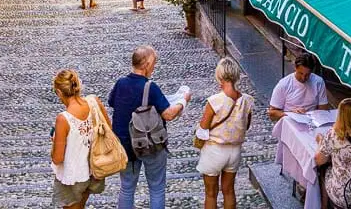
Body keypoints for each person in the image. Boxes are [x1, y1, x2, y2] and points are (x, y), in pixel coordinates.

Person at [108, 45, 190, 209]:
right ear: (146, 65)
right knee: (157, 188)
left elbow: (111, 102)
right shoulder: (150, 87)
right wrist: (183, 101)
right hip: (150, 145)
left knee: (126, 188)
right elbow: (168, 114)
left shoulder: (121, 83)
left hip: (125, 145)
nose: (155, 66)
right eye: (154, 63)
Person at [196, 57, 254, 209]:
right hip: (234, 152)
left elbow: (203, 130)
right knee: (229, 191)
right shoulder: (247, 100)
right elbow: (245, 126)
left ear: (220, 76)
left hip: (214, 151)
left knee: (211, 193)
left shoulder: (214, 101)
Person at [50, 69, 108, 208]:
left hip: (73, 177)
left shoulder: (63, 119)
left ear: (59, 92)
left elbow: (58, 158)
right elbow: (107, 130)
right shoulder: (94, 102)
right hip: (93, 171)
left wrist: (54, 142)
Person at [267, 52, 330, 122]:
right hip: (289, 121)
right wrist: (290, 114)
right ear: (295, 68)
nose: (303, 78)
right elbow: (272, 113)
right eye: (300, 73)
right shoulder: (283, 84)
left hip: (312, 121)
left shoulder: (318, 82)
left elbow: (323, 109)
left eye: (307, 75)